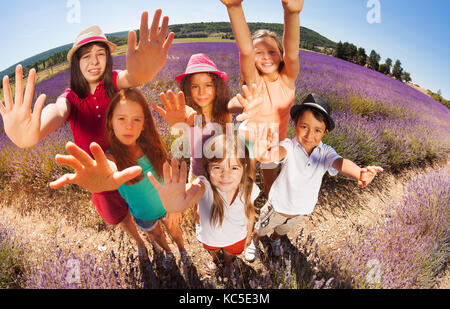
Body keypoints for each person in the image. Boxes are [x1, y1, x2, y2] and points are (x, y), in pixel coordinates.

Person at [0, 10, 175, 261]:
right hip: (98, 176)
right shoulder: (71, 97)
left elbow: (131, 77)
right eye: (86, 56)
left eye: (100, 55)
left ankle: (160, 246)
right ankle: (139, 244)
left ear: (107, 59)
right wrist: (33, 132)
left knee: (143, 212)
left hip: (127, 166)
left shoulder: (114, 82)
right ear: (77, 63)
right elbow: (57, 110)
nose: (94, 62)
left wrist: (141, 75)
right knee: (120, 216)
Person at [244, 93, 384, 262]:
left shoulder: (325, 152)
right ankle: (254, 241)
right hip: (276, 208)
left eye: (317, 130)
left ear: (325, 132)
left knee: (281, 230)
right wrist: (264, 152)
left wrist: (359, 173)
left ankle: (274, 240)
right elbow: (275, 154)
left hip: (300, 211)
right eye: (304, 127)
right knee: (261, 228)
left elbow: (340, 163)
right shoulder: (289, 146)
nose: (309, 135)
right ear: (295, 124)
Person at [220, 0, 304, 197]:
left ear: (281, 56)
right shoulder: (253, 80)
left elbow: (292, 52)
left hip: (273, 142)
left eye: (272, 51)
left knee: (271, 183)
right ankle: (246, 217)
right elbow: (245, 50)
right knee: (246, 183)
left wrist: (292, 14)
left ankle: (268, 210)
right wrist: (234, 7)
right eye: (259, 53)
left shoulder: (288, 80)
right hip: (248, 139)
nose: (266, 57)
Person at [147, 134, 259, 278]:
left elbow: (250, 212)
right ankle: (215, 259)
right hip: (210, 238)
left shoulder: (249, 188)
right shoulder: (204, 185)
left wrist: (249, 233)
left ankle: (229, 262)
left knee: (230, 254)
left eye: (234, 168)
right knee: (213, 250)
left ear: (244, 168)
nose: (226, 175)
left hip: (236, 237)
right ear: (207, 169)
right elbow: (189, 193)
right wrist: (177, 203)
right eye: (218, 167)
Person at [105, 88, 189, 269]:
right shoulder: (111, 157)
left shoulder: (150, 146)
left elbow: (168, 174)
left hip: (167, 206)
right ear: (110, 122)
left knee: (175, 231)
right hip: (142, 212)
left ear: (144, 124)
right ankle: (168, 252)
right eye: (121, 118)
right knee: (157, 235)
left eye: (136, 119)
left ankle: (182, 251)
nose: (129, 126)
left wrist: (176, 203)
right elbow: (106, 169)